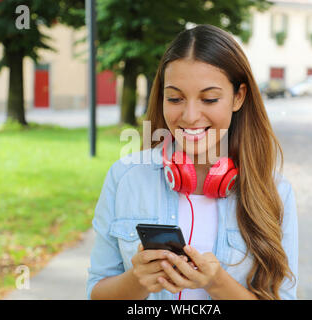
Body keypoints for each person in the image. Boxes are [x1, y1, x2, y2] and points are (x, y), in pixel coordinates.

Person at [87, 24, 298, 300]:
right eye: (175, 98)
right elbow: (96, 292)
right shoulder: (125, 177)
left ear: (238, 97)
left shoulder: (275, 191)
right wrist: (136, 281)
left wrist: (217, 283)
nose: (189, 115)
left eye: (209, 99)